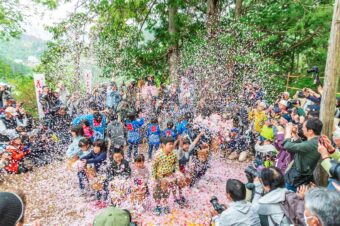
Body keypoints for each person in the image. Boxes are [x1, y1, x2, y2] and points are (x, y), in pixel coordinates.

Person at [284, 118, 322, 191]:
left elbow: (287, 145)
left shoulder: (312, 144)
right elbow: (303, 147)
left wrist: (288, 132)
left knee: (290, 199)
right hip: (301, 177)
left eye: (304, 127)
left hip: (297, 179)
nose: (302, 129)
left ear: (310, 131)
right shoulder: (315, 141)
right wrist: (295, 134)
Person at [151, 136, 182, 215]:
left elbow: (176, 164)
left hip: (169, 176)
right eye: (170, 144)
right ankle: (157, 206)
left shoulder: (174, 154)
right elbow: (153, 167)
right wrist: (153, 178)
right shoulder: (158, 154)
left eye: (172, 144)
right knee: (158, 192)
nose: (172, 146)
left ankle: (165, 205)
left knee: (166, 191)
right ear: (163, 145)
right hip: (159, 176)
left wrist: (177, 173)